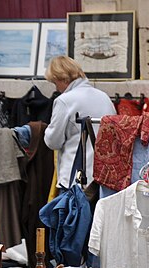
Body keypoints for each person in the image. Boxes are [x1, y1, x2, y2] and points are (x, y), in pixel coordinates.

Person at [44, 55, 115, 191]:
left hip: (75, 178)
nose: (56, 88)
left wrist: (47, 129)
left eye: (55, 82)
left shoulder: (64, 101)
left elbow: (53, 142)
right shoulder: (103, 97)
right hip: (103, 178)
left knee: (70, 212)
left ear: (63, 79)